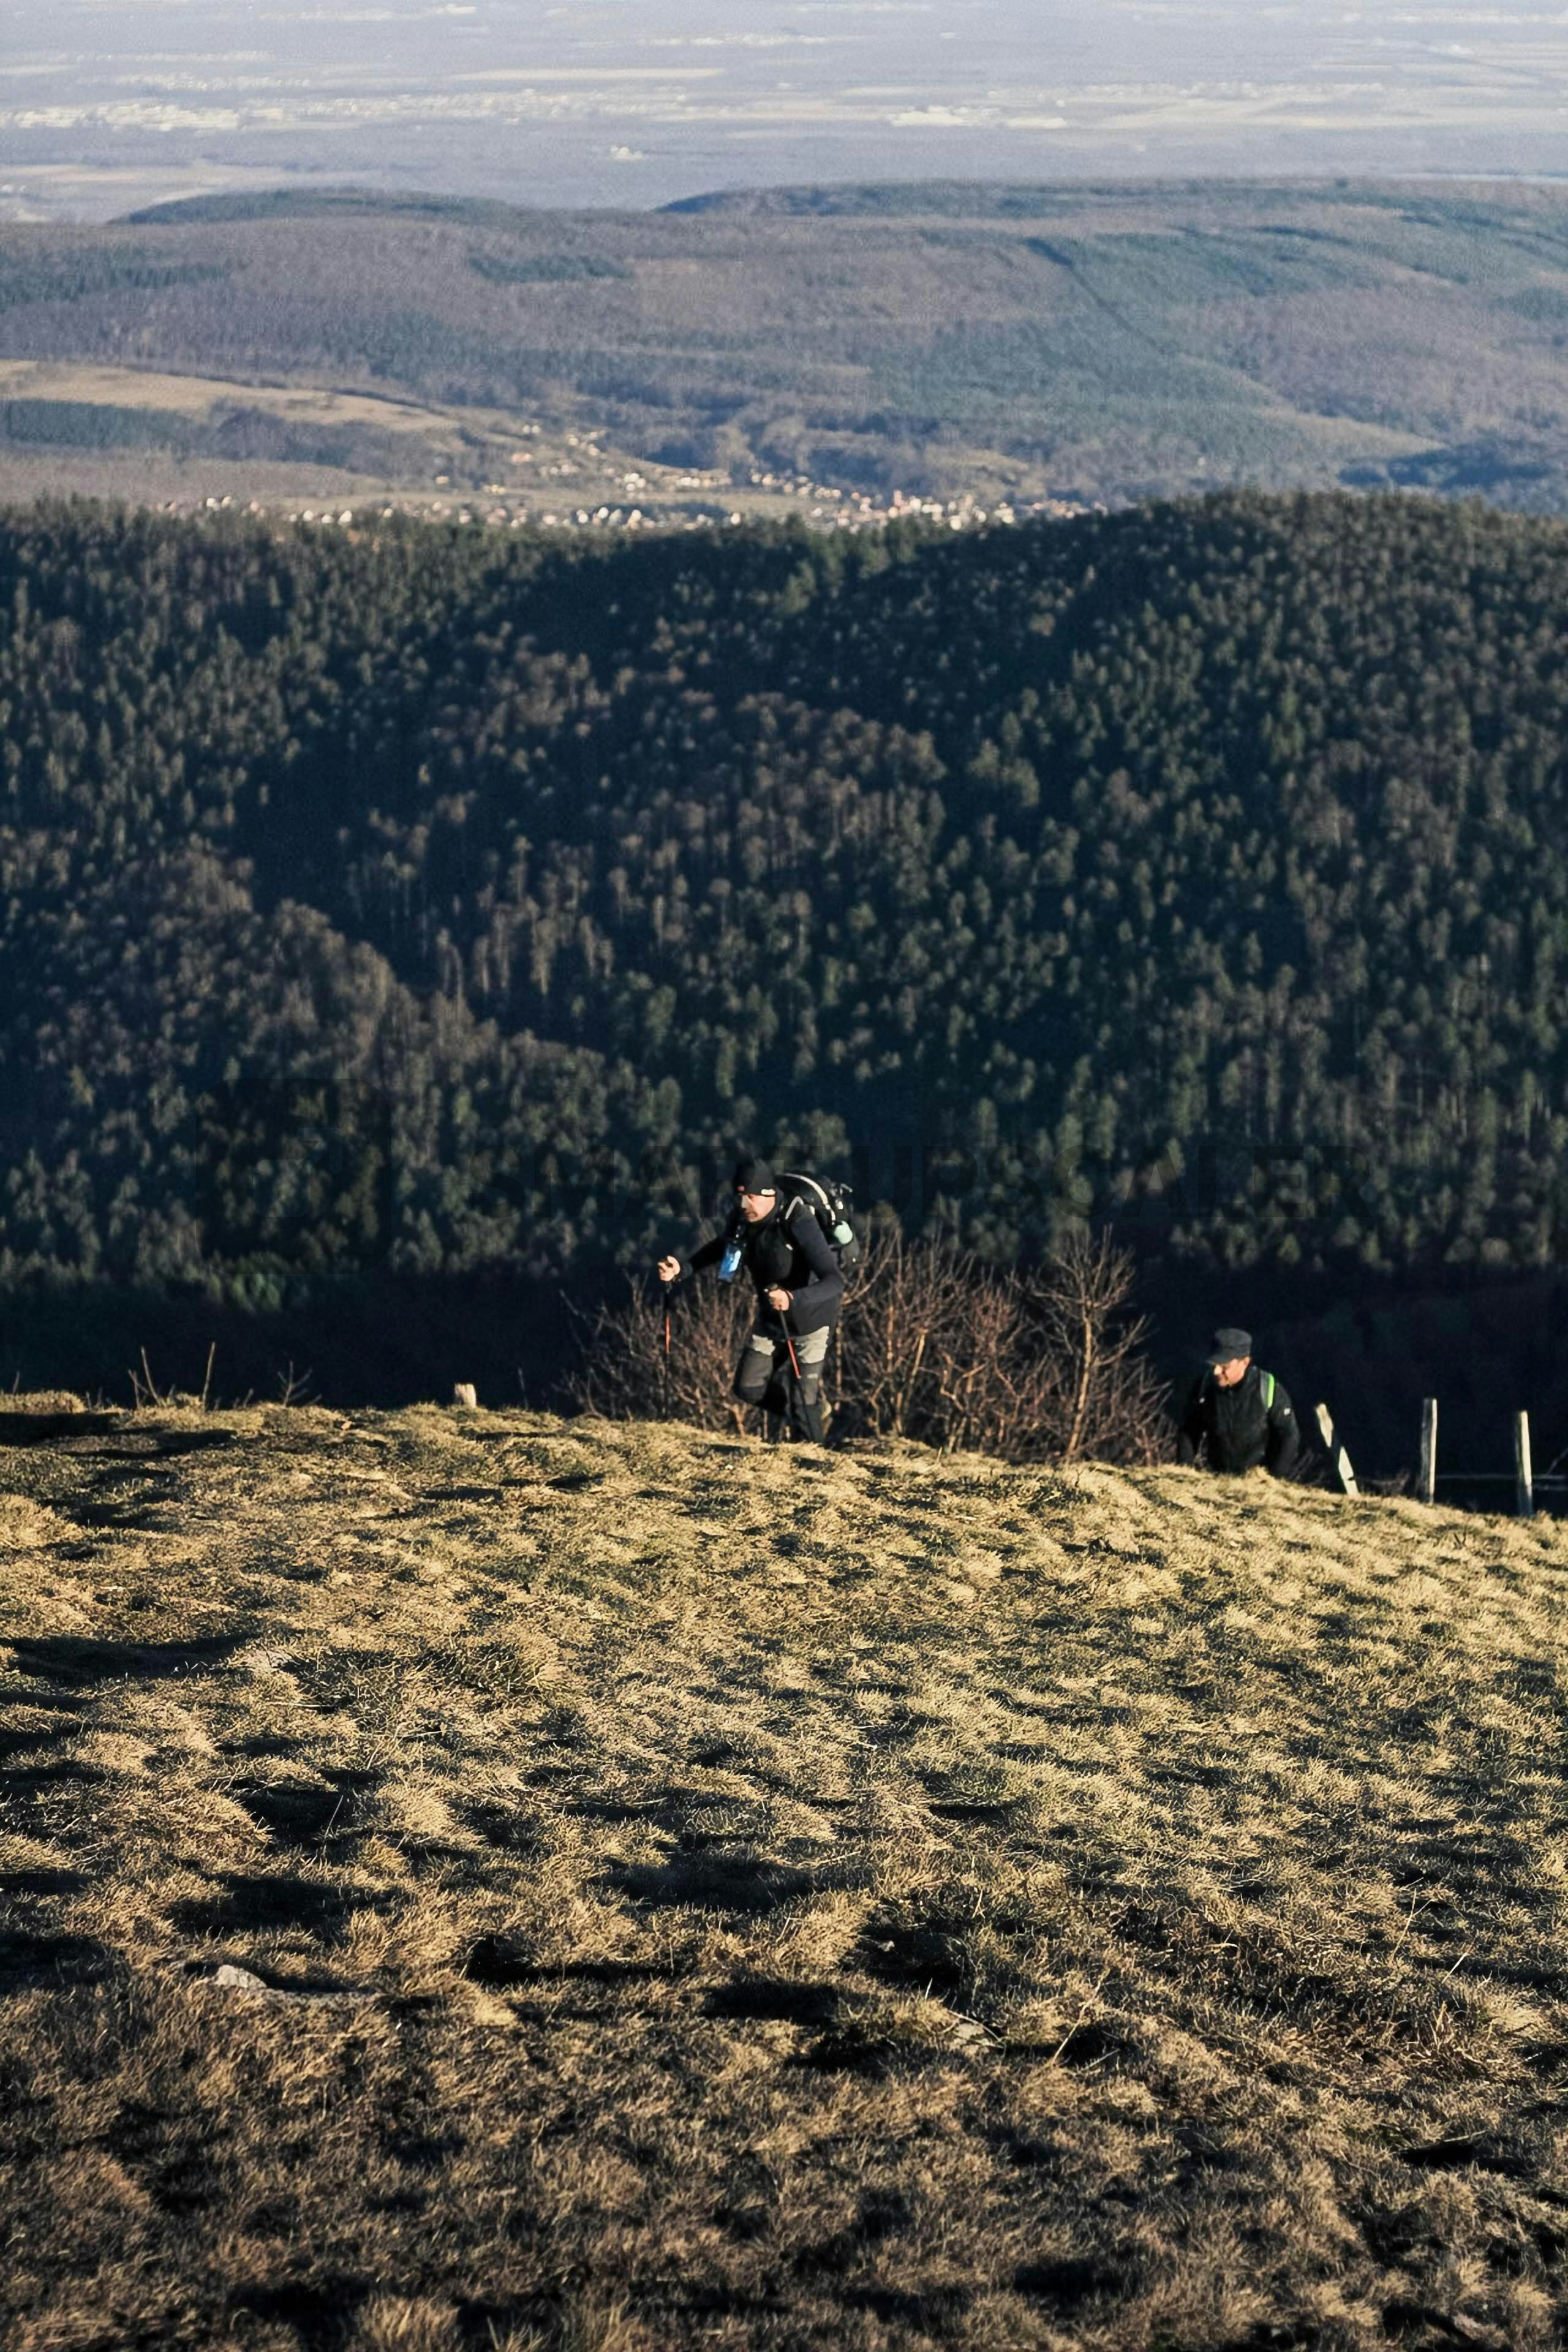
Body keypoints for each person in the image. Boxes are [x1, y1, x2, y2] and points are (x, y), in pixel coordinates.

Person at [657, 1155, 843, 1442]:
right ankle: (809, 1413)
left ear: (769, 1194)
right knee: (748, 1387)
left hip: (812, 1322)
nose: (744, 1205)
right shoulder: (742, 1220)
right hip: (772, 1320)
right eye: (740, 1198)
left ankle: (815, 1457)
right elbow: (722, 1247)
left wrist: (792, 1298)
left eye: (751, 1198)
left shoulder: (797, 1220)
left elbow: (834, 1281)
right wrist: (683, 1270)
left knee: (802, 1400)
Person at [1177, 1326, 1301, 1477]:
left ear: (1245, 1362)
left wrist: (1274, 1477)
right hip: (1216, 1477)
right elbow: (1189, 1430)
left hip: (1258, 1479)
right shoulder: (1204, 1387)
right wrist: (1185, 1471)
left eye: (1225, 1366)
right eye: (1214, 1365)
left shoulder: (1268, 1389)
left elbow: (1289, 1435)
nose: (1216, 1371)